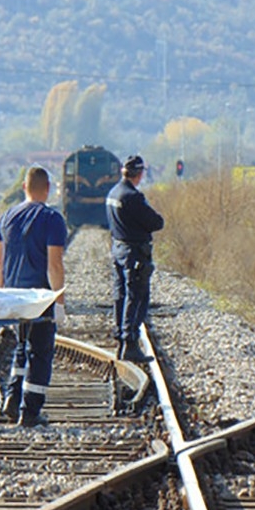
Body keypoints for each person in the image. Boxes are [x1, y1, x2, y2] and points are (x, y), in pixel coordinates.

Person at [0, 166, 67, 427]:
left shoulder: (5, 218)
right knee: (41, 352)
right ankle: (30, 412)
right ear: (47, 189)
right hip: (40, 297)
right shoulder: (52, 219)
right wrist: (59, 302)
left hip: (13, 296)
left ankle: (12, 400)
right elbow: (54, 265)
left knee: (22, 347)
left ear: (24, 187)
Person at [105, 155, 164, 363]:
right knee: (137, 297)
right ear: (139, 174)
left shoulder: (113, 193)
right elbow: (156, 222)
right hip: (135, 253)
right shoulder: (133, 197)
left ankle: (121, 340)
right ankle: (130, 342)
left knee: (120, 295)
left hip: (118, 249)